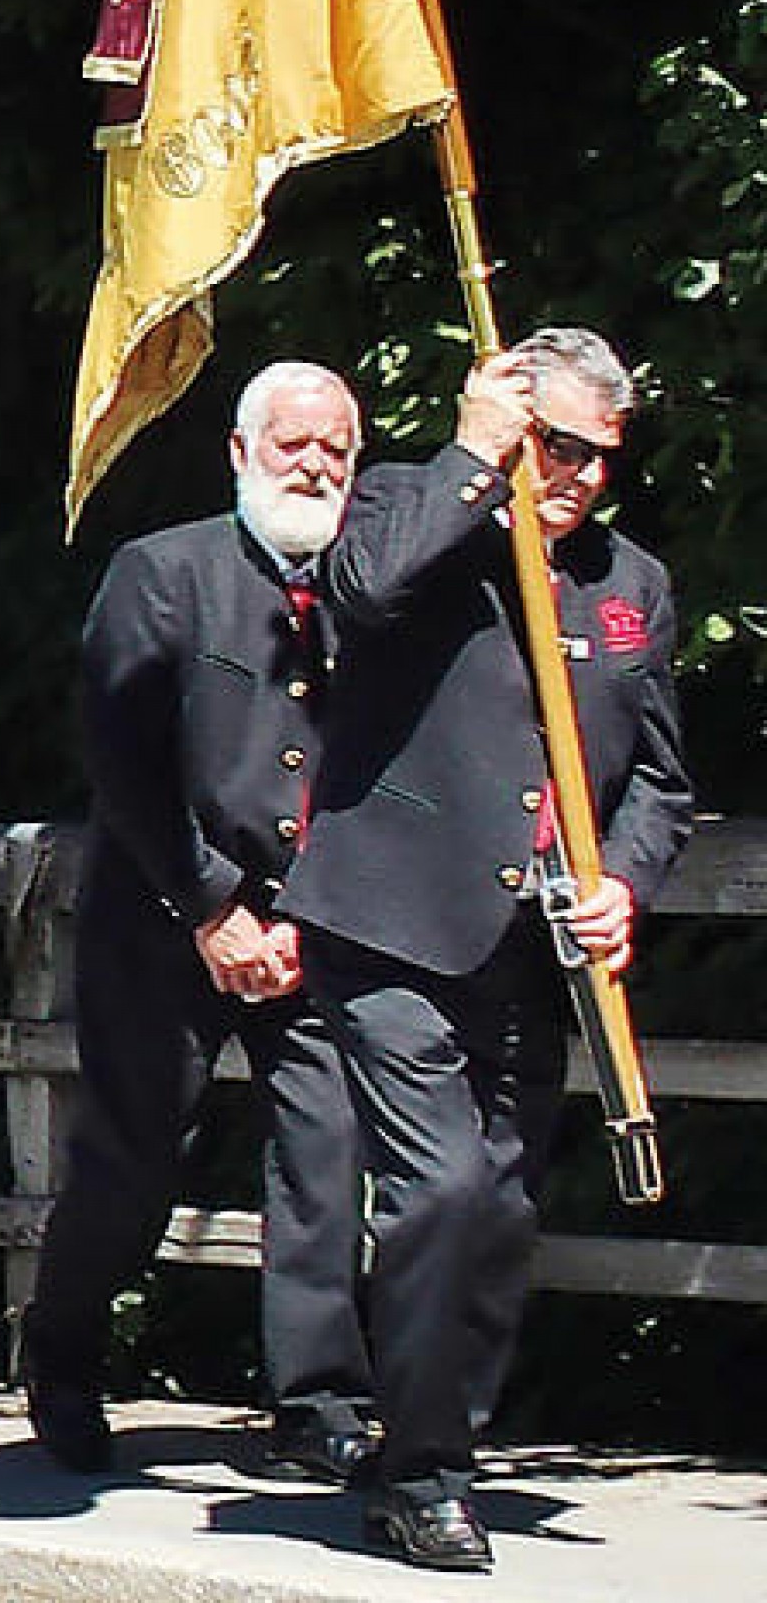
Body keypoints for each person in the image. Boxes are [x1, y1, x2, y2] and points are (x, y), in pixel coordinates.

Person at [297, 332, 695, 1574]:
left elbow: (661, 786)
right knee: (441, 1191)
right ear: (514, 420)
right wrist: (474, 454)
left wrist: (624, 885)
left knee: (502, 1215)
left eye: (597, 456)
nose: (575, 475)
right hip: (393, 924)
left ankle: (437, 1441)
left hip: (533, 953)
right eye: (556, 444)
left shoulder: (632, 583)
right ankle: (420, 1481)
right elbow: (357, 592)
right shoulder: (416, 513)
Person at [21, 359, 384, 1482]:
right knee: (131, 1166)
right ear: (240, 453)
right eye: (292, 444)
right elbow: (122, 760)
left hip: (315, 924)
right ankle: (64, 1360)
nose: (315, 465)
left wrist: (312, 911)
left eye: (336, 447)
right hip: (162, 922)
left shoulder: (377, 590)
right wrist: (213, 906)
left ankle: (318, 1404)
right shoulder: (162, 573)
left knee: (326, 1160)